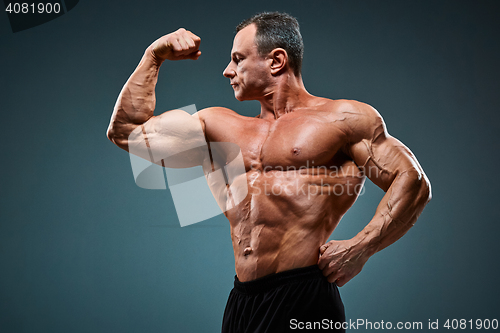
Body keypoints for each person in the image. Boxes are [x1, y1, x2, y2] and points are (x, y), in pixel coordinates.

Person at [107, 12, 431, 333]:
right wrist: (153, 56)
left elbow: (412, 180)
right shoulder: (216, 125)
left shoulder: (341, 119)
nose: (227, 71)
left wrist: (362, 247)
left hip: (304, 295)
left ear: (276, 61)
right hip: (242, 301)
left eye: (238, 59)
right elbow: (126, 133)